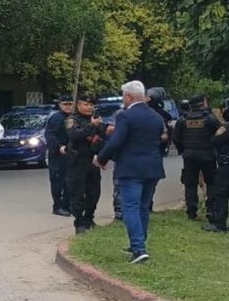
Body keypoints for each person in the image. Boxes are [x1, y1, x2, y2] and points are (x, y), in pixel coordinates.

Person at [95, 81, 166, 264]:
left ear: (128, 96)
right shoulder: (156, 116)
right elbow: (162, 139)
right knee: (143, 207)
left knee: (130, 208)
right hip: (152, 167)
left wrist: (101, 158)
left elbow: (116, 141)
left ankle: (139, 249)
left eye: (123, 96)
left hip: (131, 168)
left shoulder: (125, 116)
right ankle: (138, 243)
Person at [171, 94, 219, 221]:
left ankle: (191, 212)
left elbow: (175, 138)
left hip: (189, 156)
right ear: (203, 103)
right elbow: (220, 134)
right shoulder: (210, 118)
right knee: (211, 183)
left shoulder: (183, 119)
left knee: (190, 184)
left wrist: (183, 150)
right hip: (208, 156)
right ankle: (211, 210)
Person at [65, 94, 106, 234]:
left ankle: (89, 218)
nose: (89, 107)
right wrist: (91, 126)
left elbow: (102, 136)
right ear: (78, 105)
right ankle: (79, 222)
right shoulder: (72, 120)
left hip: (92, 160)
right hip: (77, 161)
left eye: (91, 105)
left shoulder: (96, 119)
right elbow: (74, 135)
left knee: (94, 192)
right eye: (85, 104)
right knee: (77, 193)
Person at [44, 95, 74, 216]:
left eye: (70, 104)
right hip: (58, 154)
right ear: (60, 105)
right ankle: (57, 206)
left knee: (69, 180)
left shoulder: (73, 117)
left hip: (71, 153)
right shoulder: (56, 118)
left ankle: (67, 204)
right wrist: (59, 146)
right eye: (65, 104)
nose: (68, 106)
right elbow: (50, 135)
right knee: (58, 180)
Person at [204, 122, 229, 233]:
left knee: (220, 193)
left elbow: (214, 140)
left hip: (226, 166)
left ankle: (219, 225)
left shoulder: (226, 127)